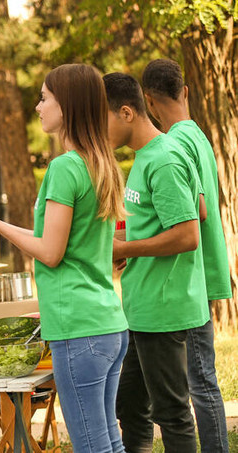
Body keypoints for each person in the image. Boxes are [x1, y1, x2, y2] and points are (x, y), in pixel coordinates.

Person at [0, 64, 129, 452]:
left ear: (67, 106)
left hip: (78, 327)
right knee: (109, 440)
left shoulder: (65, 167)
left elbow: (50, 252)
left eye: (45, 97)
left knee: (92, 445)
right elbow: (60, 242)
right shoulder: (100, 164)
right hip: (109, 324)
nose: (38, 107)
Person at [103, 72, 208, 453]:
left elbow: (188, 233)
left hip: (164, 309)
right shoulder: (146, 157)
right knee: (129, 405)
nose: (100, 133)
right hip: (140, 307)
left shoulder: (163, 159)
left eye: (103, 121)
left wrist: (123, 250)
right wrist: (111, 242)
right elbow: (173, 216)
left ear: (127, 112)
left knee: (172, 413)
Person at [141, 58, 231, 453]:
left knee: (201, 384)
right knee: (204, 380)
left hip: (189, 279)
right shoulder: (196, 133)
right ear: (186, 91)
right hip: (204, 272)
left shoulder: (173, 143)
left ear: (147, 100)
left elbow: (198, 209)